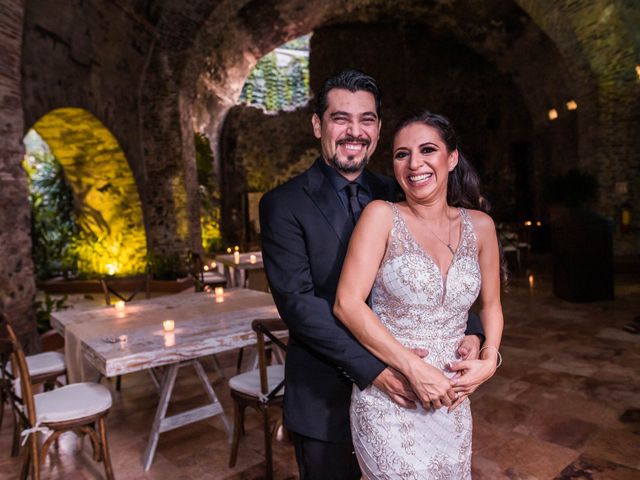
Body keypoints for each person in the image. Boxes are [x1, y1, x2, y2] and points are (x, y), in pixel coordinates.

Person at [259, 71, 484, 480]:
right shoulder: (283, 204)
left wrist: (473, 330)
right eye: (341, 119)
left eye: (366, 120)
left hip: (415, 403)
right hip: (327, 394)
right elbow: (299, 305)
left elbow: (441, 262)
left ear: (378, 129)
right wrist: (375, 370)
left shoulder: (398, 192)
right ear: (317, 125)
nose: (354, 132)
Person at [334, 111, 505, 478]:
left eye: (427, 149)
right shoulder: (381, 216)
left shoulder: (482, 226)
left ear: (452, 157)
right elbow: (347, 304)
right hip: (392, 396)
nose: (414, 164)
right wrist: (412, 368)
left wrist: (489, 360)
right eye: (401, 154)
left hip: (452, 402)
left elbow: (491, 306)